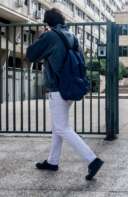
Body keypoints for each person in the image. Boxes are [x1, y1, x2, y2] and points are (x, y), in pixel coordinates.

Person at [26, 8, 104, 181]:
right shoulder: (72, 36)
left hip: (57, 88)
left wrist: (39, 36)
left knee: (62, 128)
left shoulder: (50, 36)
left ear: (48, 23)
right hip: (70, 86)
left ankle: (92, 160)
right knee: (58, 127)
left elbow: (30, 55)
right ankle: (52, 162)